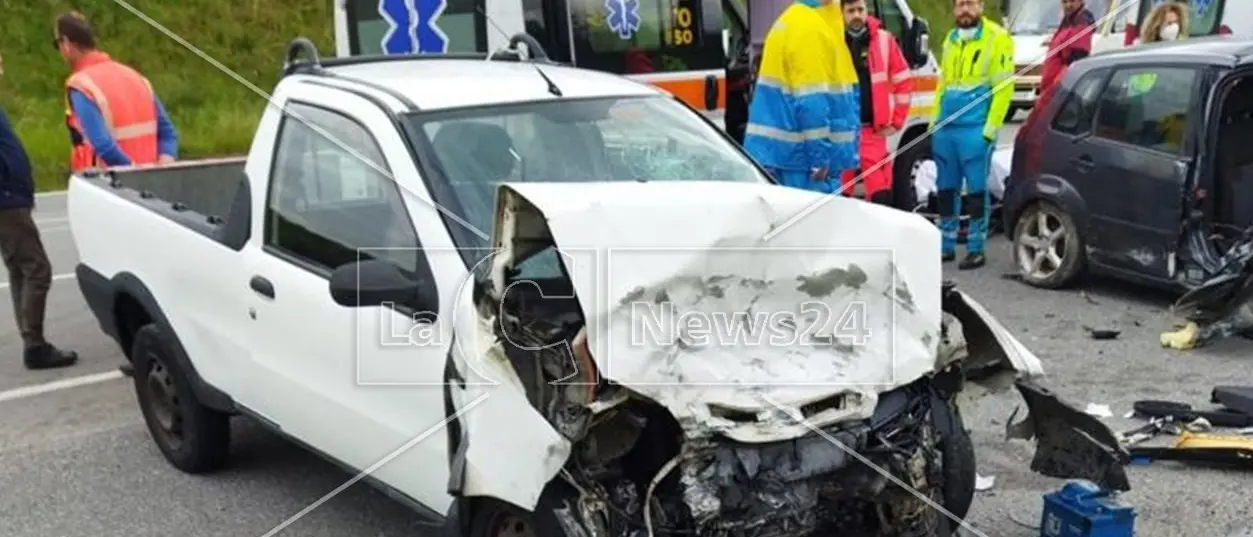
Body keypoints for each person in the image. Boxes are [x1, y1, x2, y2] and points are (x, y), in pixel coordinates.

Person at [0, 54, 79, 370]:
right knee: (38, 268)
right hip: (6, 200)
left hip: (10, 197)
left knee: (20, 268)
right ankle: (35, 344)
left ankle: (30, 338)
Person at [743, 0, 861, 194]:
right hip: (803, 164)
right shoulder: (811, 29)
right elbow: (812, 102)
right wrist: (820, 160)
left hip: (787, 156)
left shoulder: (793, 20)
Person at [930, 0, 1014, 270]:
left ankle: (976, 248)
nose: (965, 10)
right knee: (945, 188)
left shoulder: (997, 38)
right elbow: (943, 84)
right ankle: (946, 246)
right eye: (960, 5)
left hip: (975, 128)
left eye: (970, 3)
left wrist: (989, 130)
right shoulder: (950, 39)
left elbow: (1003, 89)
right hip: (947, 128)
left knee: (976, 190)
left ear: (980, 6)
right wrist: (934, 123)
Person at [55, 11, 179, 172]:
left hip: (108, 186)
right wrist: (162, 168)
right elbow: (168, 133)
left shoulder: (81, 86)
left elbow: (103, 145)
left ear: (66, 43)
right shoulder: (135, 77)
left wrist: (133, 173)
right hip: (151, 187)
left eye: (56, 44)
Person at [838, 0, 913, 205]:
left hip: (872, 131)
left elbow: (904, 80)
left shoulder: (884, 40)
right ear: (842, 13)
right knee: (838, 195)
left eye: (860, 10)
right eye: (851, 10)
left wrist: (897, 120)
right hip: (841, 132)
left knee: (881, 194)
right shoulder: (833, 41)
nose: (856, 15)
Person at [1040, 0, 1095, 99]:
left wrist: (1057, 90)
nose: (1068, 5)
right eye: (1064, 2)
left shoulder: (1081, 23)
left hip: (1061, 89)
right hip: (1054, 87)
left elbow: (1075, 63)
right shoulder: (1069, 20)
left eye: (1072, 1)